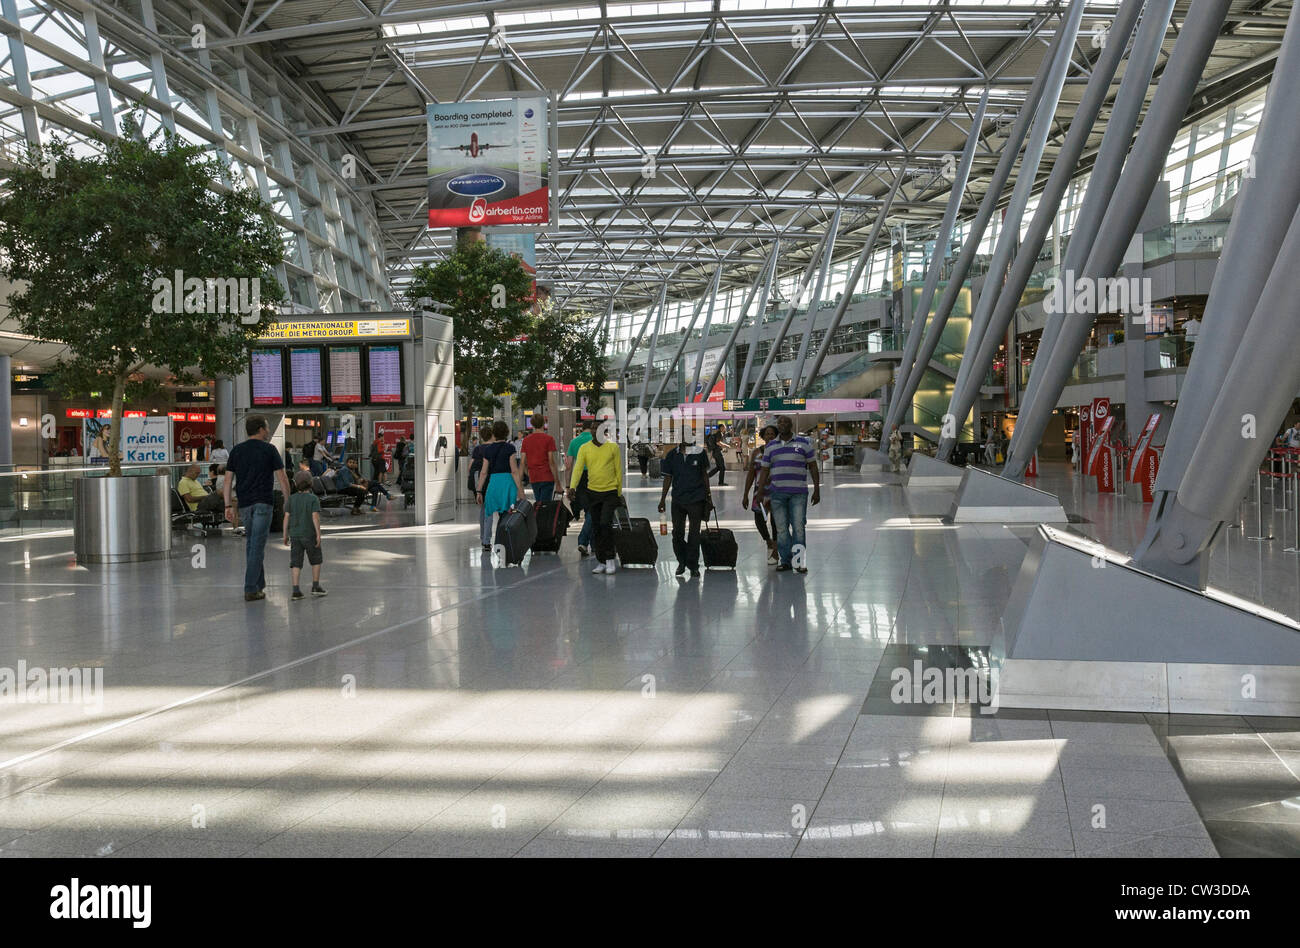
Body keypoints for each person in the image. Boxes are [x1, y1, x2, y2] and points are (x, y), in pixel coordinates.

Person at [223, 415, 291, 602]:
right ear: (261, 429)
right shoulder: (269, 450)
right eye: (267, 428)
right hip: (263, 502)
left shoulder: (237, 451)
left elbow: (228, 480)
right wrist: (288, 501)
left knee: (252, 544)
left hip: (245, 504)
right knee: (257, 546)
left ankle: (259, 585)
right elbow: (282, 478)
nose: (268, 431)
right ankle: (251, 588)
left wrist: (228, 505)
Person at [753, 415, 820, 574]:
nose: (782, 424)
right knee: (782, 529)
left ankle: (798, 562)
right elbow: (764, 471)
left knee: (798, 527)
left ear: (791, 425)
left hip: (798, 493)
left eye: (785, 422)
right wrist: (760, 491)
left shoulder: (804, 443)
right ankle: (785, 561)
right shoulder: (771, 447)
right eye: (780, 422)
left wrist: (817, 489)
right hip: (777, 493)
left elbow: (813, 467)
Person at [567, 421, 623, 574]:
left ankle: (610, 558)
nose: (593, 430)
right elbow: (578, 469)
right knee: (596, 527)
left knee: (605, 524)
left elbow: (619, 470)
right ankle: (601, 561)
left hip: (610, 492)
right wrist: (572, 486)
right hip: (593, 492)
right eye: (592, 428)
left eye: (597, 428)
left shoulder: (613, 447)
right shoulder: (585, 448)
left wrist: (619, 492)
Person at [658, 436, 713, 578]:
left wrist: (709, 496)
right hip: (678, 499)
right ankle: (681, 562)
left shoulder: (699, 453)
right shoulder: (672, 455)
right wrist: (663, 499)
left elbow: (704, 475)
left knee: (694, 534)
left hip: (696, 499)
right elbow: (668, 478)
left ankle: (693, 565)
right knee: (677, 533)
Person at [476, 420, 524, 551]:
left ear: (494, 433)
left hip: (494, 483)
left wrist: (479, 491)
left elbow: (484, 472)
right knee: (507, 514)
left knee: (489, 512)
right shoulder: (510, 448)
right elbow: (514, 470)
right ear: (506, 433)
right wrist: (520, 490)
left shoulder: (489, 449)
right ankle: (504, 540)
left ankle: (486, 541)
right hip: (508, 483)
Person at [283, 470, 326, 600]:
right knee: (316, 559)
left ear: (295, 484)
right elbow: (315, 517)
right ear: (311, 483)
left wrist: (285, 534)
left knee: (296, 562)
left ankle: (296, 590)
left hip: (295, 535)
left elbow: (286, 517)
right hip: (310, 534)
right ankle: (315, 586)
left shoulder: (291, 499)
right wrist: (318, 534)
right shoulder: (313, 499)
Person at [742, 424, 780, 566]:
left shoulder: (779, 451)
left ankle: (775, 550)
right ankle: (768, 541)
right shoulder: (756, 452)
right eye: (767, 434)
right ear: (763, 436)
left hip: (776, 491)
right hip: (759, 492)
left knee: (776, 522)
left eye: (772, 434)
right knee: (759, 520)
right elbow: (751, 473)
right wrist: (745, 493)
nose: (770, 436)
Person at [567, 420, 595, 556]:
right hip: (594, 476)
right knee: (593, 509)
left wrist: (569, 485)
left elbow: (568, 465)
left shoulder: (574, 442)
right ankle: (584, 540)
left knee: (590, 509)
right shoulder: (598, 441)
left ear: (582, 428)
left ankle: (591, 543)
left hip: (579, 478)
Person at [521, 416, 561, 502]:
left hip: (534, 476)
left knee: (538, 503)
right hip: (547, 476)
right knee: (545, 506)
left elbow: (522, 462)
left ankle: (538, 515)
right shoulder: (549, 439)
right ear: (544, 423)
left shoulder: (526, 440)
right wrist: (557, 482)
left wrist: (528, 473)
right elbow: (551, 462)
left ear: (532, 424)